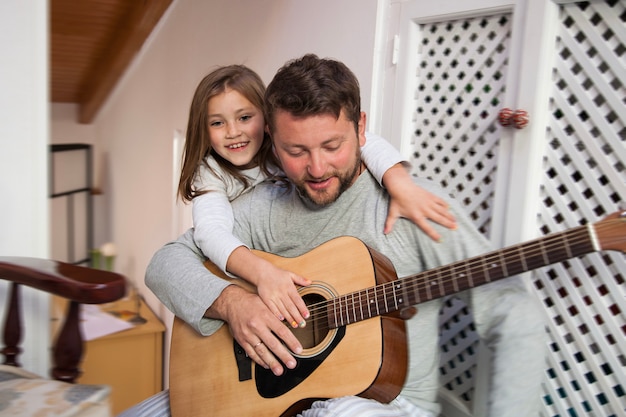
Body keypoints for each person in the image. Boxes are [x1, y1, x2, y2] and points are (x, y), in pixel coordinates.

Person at [135, 54, 546, 417]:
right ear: (272, 145)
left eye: (333, 146)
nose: (317, 168)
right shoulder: (267, 204)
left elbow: (513, 310)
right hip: (281, 397)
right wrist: (234, 304)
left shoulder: (419, 206)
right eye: (296, 152)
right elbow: (165, 264)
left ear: (361, 128)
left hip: (390, 404)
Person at [177, 65, 456, 329]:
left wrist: (399, 183)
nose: (233, 132)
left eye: (244, 117)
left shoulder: (278, 150)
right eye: (296, 152)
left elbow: (370, 143)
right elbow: (206, 236)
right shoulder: (212, 176)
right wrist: (250, 287)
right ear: (276, 134)